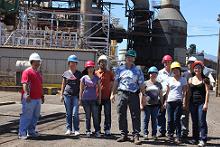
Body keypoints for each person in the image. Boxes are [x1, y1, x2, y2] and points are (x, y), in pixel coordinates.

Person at [110, 50, 145, 145]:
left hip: (134, 94)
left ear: (134, 59)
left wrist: (144, 96)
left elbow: (141, 84)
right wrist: (112, 94)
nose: (130, 58)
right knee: (121, 114)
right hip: (122, 94)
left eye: (132, 57)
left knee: (135, 115)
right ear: (125, 58)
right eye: (128, 57)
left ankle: (136, 135)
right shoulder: (119, 69)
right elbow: (116, 82)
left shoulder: (138, 70)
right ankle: (123, 134)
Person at [19, 53, 44, 140]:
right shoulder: (27, 71)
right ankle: (22, 133)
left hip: (37, 98)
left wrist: (42, 96)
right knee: (26, 115)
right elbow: (24, 84)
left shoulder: (38, 73)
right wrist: (27, 94)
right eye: (36, 61)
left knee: (35, 116)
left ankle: (31, 131)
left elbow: (40, 85)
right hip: (29, 98)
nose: (38, 63)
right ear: (32, 62)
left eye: (39, 62)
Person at [164, 61, 187, 144]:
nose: (175, 71)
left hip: (178, 101)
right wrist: (165, 102)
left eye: (176, 69)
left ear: (179, 70)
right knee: (169, 120)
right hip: (170, 101)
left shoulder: (183, 79)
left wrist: (184, 102)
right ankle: (170, 135)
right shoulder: (169, 79)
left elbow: (184, 92)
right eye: (173, 69)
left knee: (176, 120)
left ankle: (178, 136)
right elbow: (167, 91)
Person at [188, 60, 210, 147]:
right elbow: (189, 92)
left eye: (199, 68)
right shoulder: (190, 79)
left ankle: (203, 139)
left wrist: (206, 104)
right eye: (196, 68)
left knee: (202, 121)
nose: (197, 69)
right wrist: (186, 103)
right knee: (194, 121)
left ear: (202, 69)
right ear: (193, 69)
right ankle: (195, 139)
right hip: (192, 103)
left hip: (201, 103)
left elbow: (207, 92)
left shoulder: (205, 79)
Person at [60, 55, 82, 136]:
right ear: (69, 63)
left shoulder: (79, 74)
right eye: (71, 62)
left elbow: (81, 86)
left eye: (74, 63)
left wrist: (80, 97)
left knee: (75, 113)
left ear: (76, 64)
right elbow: (63, 84)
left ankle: (76, 129)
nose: (73, 64)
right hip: (67, 95)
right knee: (68, 113)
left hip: (76, 96)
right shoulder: (65, 73)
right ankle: (69, 129)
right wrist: (61, 95)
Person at [79, 60, 101, 138]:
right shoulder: (83, 78)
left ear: (93, 68)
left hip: (94, 99)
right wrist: (80, 99)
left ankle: (97, 131)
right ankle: (88, 131)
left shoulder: (96, 78)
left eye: (91, 67)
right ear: (86, 69)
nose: (90, 69)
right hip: (85, 100)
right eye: (89, 68)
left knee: (95, 116)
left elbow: (99, 89)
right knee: (87, 116)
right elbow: (81, 89)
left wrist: (99, 99)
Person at [140, 66, 163, 141]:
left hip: (155, 105)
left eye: (155, 73)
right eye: (151, 73)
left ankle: (154, 134)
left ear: (157, 74)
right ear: (149, 74)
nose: (153, 75)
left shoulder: (159, 84)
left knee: (154, 120)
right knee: (145, 119)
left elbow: (161, 95)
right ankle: (145, 134)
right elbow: (142, 94)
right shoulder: (145, 83)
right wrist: (141, 104)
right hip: (147, 105)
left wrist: (162, 104)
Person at [95, 55, 114, 136]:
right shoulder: (95, 73)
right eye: (101, 62)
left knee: (107, 114)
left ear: (107, 63)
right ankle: (97, 129)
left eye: (104, 62)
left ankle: (107, 129)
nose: (103, 63)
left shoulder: (110, 73)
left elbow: (113, 84)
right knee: (97, 114)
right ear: (99, 63)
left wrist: (112, 94)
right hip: (97, 97)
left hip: (107, 97)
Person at [157, 54, 173, 137]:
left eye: (169, 62)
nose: (167, 63)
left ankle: (170, 132)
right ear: (163, 63)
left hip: (172, 96)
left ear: (171, 62)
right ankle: (161, 130)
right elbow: (158, 85)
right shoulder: (160, 73)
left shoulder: (174, 72)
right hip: (162, 95)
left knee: (171, 115)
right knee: (160, 114)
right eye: (165, 62)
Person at [181, 56, 197, 138]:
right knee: (184, 115)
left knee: (195, 116)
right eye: (189, 63)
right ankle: (184, 131)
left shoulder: (197, 74)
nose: (190, 65)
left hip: (194, 98)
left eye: (192, 63)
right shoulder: (184, 74)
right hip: (186, 97)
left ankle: (196, 133)